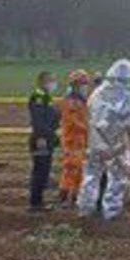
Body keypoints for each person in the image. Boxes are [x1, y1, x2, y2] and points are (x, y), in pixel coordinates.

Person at [77, 59, 130, 220]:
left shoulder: (96, 93)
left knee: (91, 176)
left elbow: (88, 116)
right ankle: (111, 212)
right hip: (117, 145)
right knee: (117, 178)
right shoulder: (126, 96)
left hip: (95, 143)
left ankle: (85, 208)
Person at [27, 72, 61, 211]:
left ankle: (38, 201)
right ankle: (35, 203)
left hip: (47, 138)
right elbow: (39, 120)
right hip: (42, 139)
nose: (54, 83)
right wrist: (42, 138)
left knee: (44, 170)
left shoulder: (46, 97)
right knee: (40, 171)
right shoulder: (39, 97)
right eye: (51, 81)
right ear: (43, 82)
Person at [57, 70, 91, 206]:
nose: (86, 87)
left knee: (75, 168)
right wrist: (90, 129)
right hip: (73, 140)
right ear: (76, 85)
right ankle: (69, 197)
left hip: (79, 139)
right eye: (83, 84)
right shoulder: (72, 102)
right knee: (73, 168)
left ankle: (67, 195)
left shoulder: (80, 101)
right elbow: (74, 123)